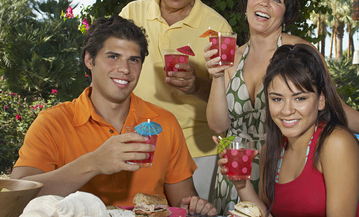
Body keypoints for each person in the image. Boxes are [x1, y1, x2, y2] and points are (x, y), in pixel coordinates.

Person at [204, 0, 359, 213]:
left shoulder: (299, 53)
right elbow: (219, 126)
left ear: (286, 12)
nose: (264, 3)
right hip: (247, 167)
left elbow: (331, 102)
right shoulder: (232, 56)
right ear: (246, 2)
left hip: (297, 159)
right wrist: (217, 76)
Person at [10, 15, 217, 216]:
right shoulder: (52, 122)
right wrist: (93, 163)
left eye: (133, 60)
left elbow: (183, 201)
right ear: (89, 60)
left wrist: (195, 207)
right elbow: (16, 197)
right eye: (113, 57)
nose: (125, 69)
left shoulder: (165, 122)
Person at [119, 0, 232, 200]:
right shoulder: (130, 14)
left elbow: (228, 101)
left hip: (198, 154)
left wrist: (196, 86)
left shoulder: (218, 28)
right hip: (136, 146)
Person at [217, 43, 359, 216]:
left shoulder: (336, 144)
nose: (287, 110)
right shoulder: (271, 149)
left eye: (299, 98)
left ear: (321, 100)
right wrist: (242, 183)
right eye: (277, 99)